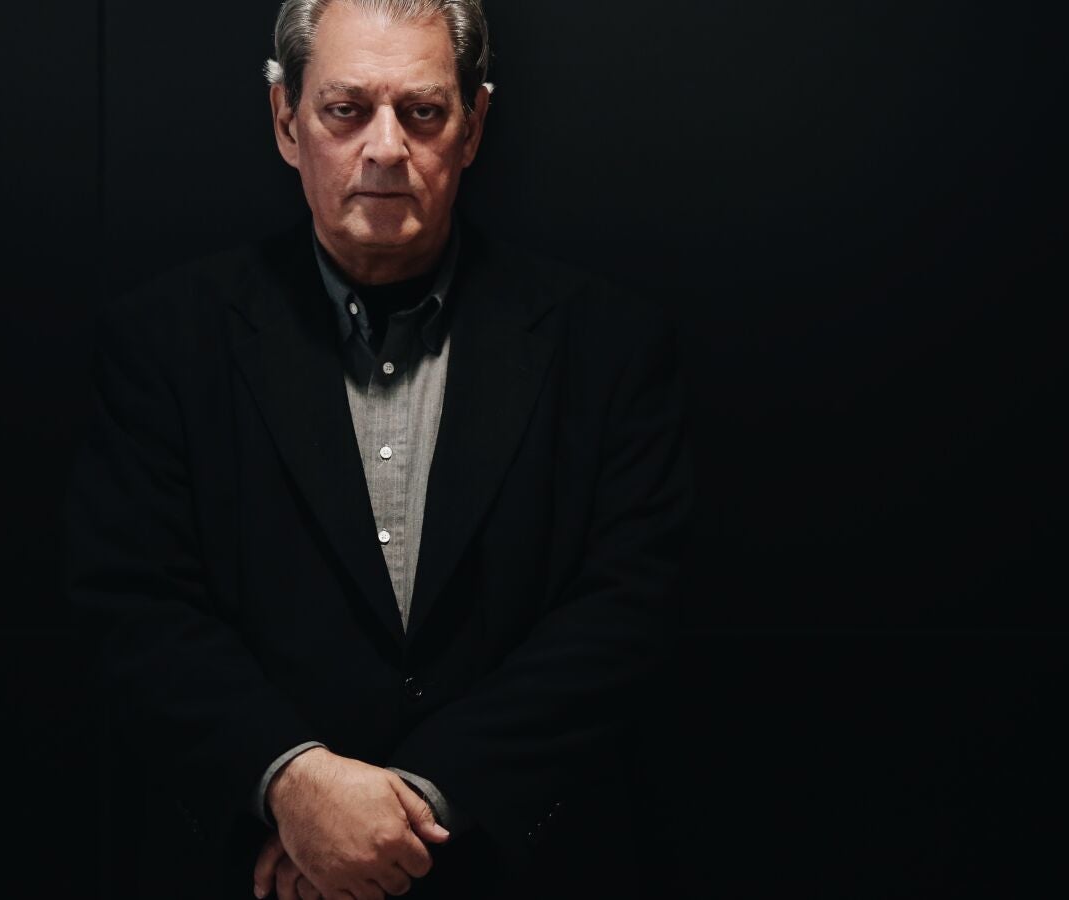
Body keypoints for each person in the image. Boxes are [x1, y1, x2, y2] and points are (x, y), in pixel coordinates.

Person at [64, 1, 695, 896]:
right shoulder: (163, 343)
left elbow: (627, 612)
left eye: (424, 112)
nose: (388, 148)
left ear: (474, 126)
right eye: (346, 109)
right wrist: (294, 786)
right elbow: (134, 603)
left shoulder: (609, 347)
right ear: (286, 122)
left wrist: (408, 808)